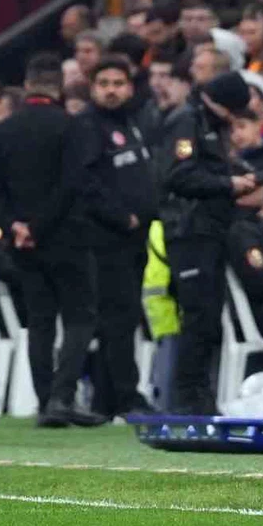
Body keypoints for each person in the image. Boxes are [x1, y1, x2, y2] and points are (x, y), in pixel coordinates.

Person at [0, 53, 105, 428]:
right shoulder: (72, 127)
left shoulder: (2, 131)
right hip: (66, 236)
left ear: (27, 85)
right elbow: (72, 184)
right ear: (59, 86)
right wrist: (38, 226)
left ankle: (45, 401)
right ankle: (61, 397)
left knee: (40, 321)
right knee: (80, 317)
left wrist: (16, 227)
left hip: (24, 244)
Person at [157, 72, 257, 414]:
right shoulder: (188, 121)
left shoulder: (205, 121)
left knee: (208, 315)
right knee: (198, 314)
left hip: (208, 229)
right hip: (190, 230)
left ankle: (199, 394)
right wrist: (229, 184)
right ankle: (188, 397)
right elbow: (178, 174)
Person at [81, 58, 157, 418]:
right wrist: (121, 216)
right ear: (92, 87)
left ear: (129, 87)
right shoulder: (88, 126)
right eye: (104, 83)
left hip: (133, 237)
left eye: (118, 83)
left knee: (121, 319)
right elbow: (86, 182)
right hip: (105, 238)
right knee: (118, 318)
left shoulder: (132, 122)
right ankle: (126, 396)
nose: (111, 90)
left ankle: (106, 399)